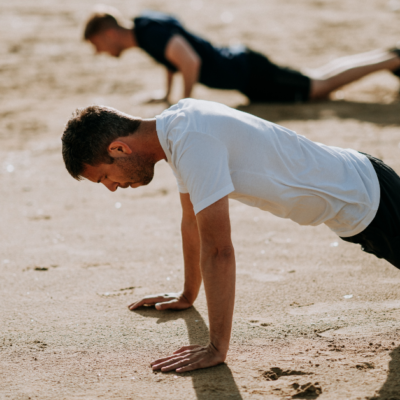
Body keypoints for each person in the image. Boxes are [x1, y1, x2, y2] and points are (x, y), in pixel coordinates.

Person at [61, 99, 400, 373]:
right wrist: (187, 293)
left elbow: (219, 250)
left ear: (120, 149)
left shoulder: (192, 140)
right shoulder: (177, 130)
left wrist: (216, 348)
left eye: (104, 176)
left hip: (369, 200)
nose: (111, 187)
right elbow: (191, 222)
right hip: (357, 207)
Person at [83, 5, 400, 104]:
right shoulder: (145, 26)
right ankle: (387, 56)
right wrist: (166, 94)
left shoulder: (149, 34)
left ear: (109, 33)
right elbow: (174, 60)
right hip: (245, 67)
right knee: (316, 77)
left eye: (98, 45)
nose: (101, 52)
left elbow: (189, 61)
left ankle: (392, 59)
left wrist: (184, 103)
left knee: (318, 88)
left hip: (248, 74)